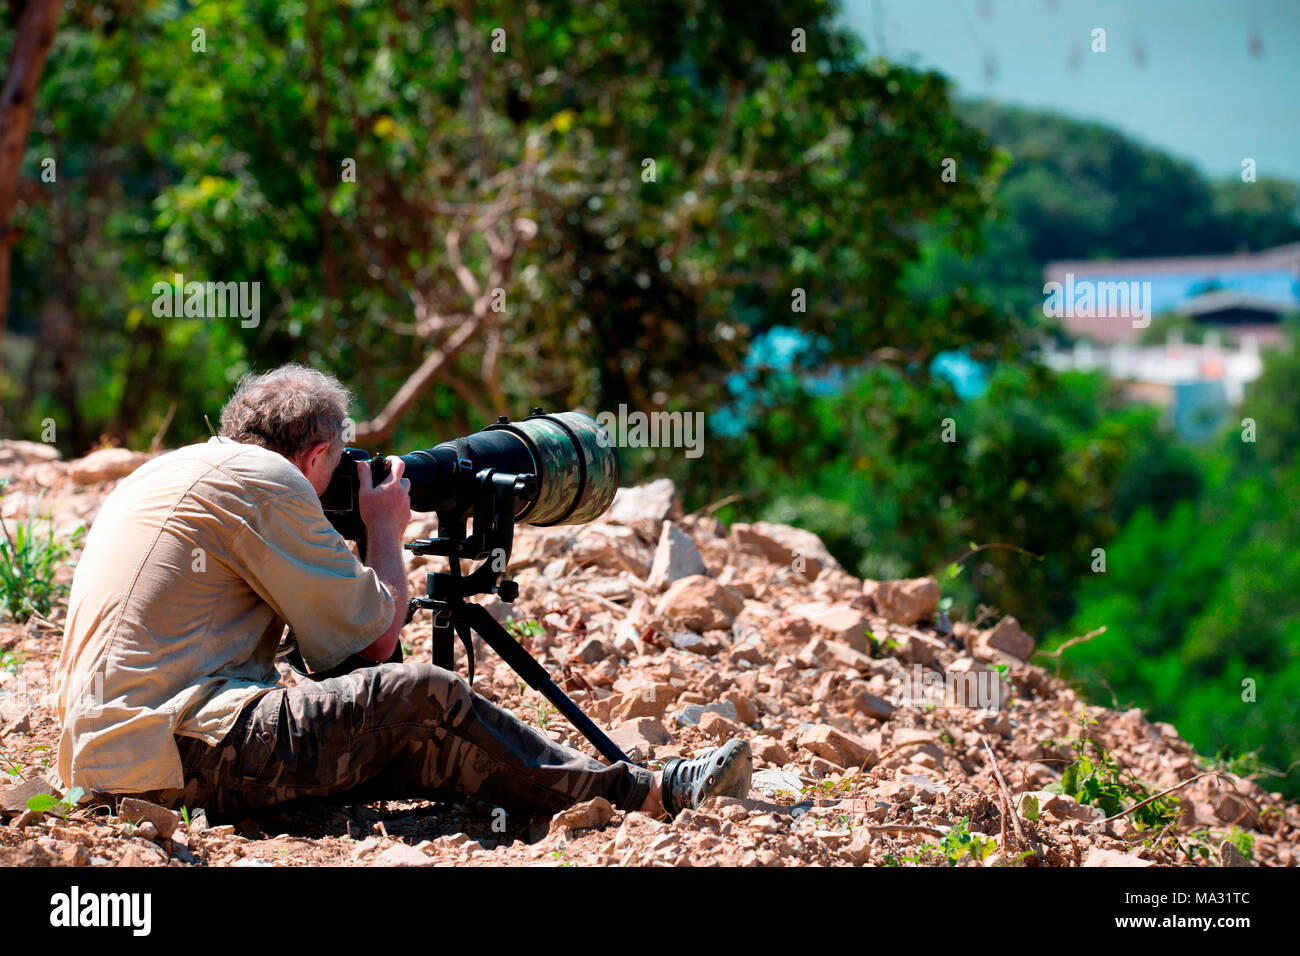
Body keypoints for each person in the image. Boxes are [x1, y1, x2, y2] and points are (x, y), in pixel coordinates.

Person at [50, 365, 751, 829]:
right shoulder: (269, 482)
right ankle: (644, 793)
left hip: (109, 757)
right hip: (178, 752)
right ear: (320, 454)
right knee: (420, 694)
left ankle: (534, 790)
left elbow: (333, 664)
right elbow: (378, 644)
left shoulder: (169, 471)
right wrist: (386, 529)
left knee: (399, 728)